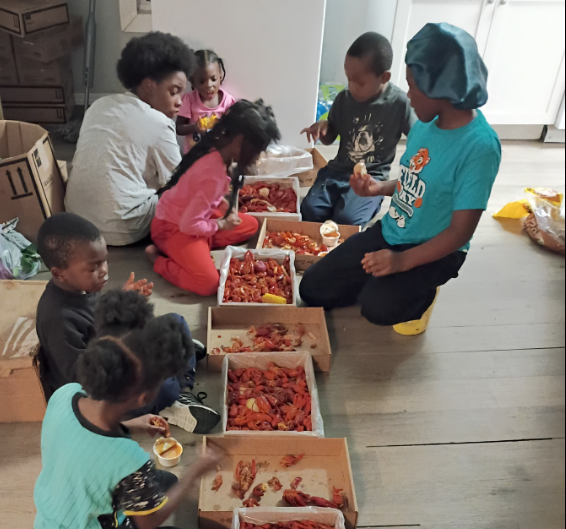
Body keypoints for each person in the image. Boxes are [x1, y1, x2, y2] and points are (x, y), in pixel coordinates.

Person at [299, 23, 501, 328]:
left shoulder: (479, 147)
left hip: (438, 249)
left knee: (378, 310)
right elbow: (416, 182)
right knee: (311, 289)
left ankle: (422, 292)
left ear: (440, 86)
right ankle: (380, 283)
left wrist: (401, 262)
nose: (407, 94)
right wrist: (378, 188)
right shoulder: (426, 123)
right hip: (395, 231)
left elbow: (460, 232)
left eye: (413, 85)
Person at [34, 317, 222, 529]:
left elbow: (86, 430)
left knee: (163, 485)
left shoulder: (65, 394)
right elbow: (147, 523)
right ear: (144, 396)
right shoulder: (129, 461)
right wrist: (194, 471)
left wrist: (132, 423)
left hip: (53, 520)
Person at [35, 213, 220, 433]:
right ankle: (177, 395)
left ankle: (179, 377)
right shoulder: (58, 318)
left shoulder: (81, 285)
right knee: (164, 385)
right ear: (59, 273)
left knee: (176, 322)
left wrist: (123, 301)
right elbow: (82, 379)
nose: (103, 271)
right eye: (93, 267)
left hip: (116, 352)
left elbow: (99, 316)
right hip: (103, 386)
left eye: (104, 260)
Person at [65, 32, 195, 246]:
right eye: (174, 92)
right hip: (122, 229)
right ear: (149, 85)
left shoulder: (98, 106)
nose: (180, 102)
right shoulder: (159, 123)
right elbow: (182, 184)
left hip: (75, 222)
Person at [149, 99, 281, 297]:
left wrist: (225, 207)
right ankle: (158, 260)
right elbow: (188, 225)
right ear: (239, 140)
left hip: (196, 216)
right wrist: (220, 224)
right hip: (173, 227)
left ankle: (199, 246)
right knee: (209, 284)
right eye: (257, 150)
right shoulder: (212, 175)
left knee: (251, 225)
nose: (258, 157)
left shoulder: (216, 150)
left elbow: (204, 197)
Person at [300, 32, 415, 226]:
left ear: (384, 77)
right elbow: (330, 138)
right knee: (308, 212)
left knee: (347, 220)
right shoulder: (344, 99)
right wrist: (323, 129)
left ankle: (370, 203)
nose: (351, 86)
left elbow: (419, 139)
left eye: (359, 82)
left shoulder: (399, 103)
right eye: (348, 79)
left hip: (370, 177)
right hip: (337, 172)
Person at [176, 49, 236, 151]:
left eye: (213, 79)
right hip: (193, 157)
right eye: (202, 81)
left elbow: (233, 129)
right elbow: (178, 128)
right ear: (193, 81)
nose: (209, 85)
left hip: (218, 155)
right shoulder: (189, 100)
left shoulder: (228, 102)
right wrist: (195, 127)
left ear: (220, 76)